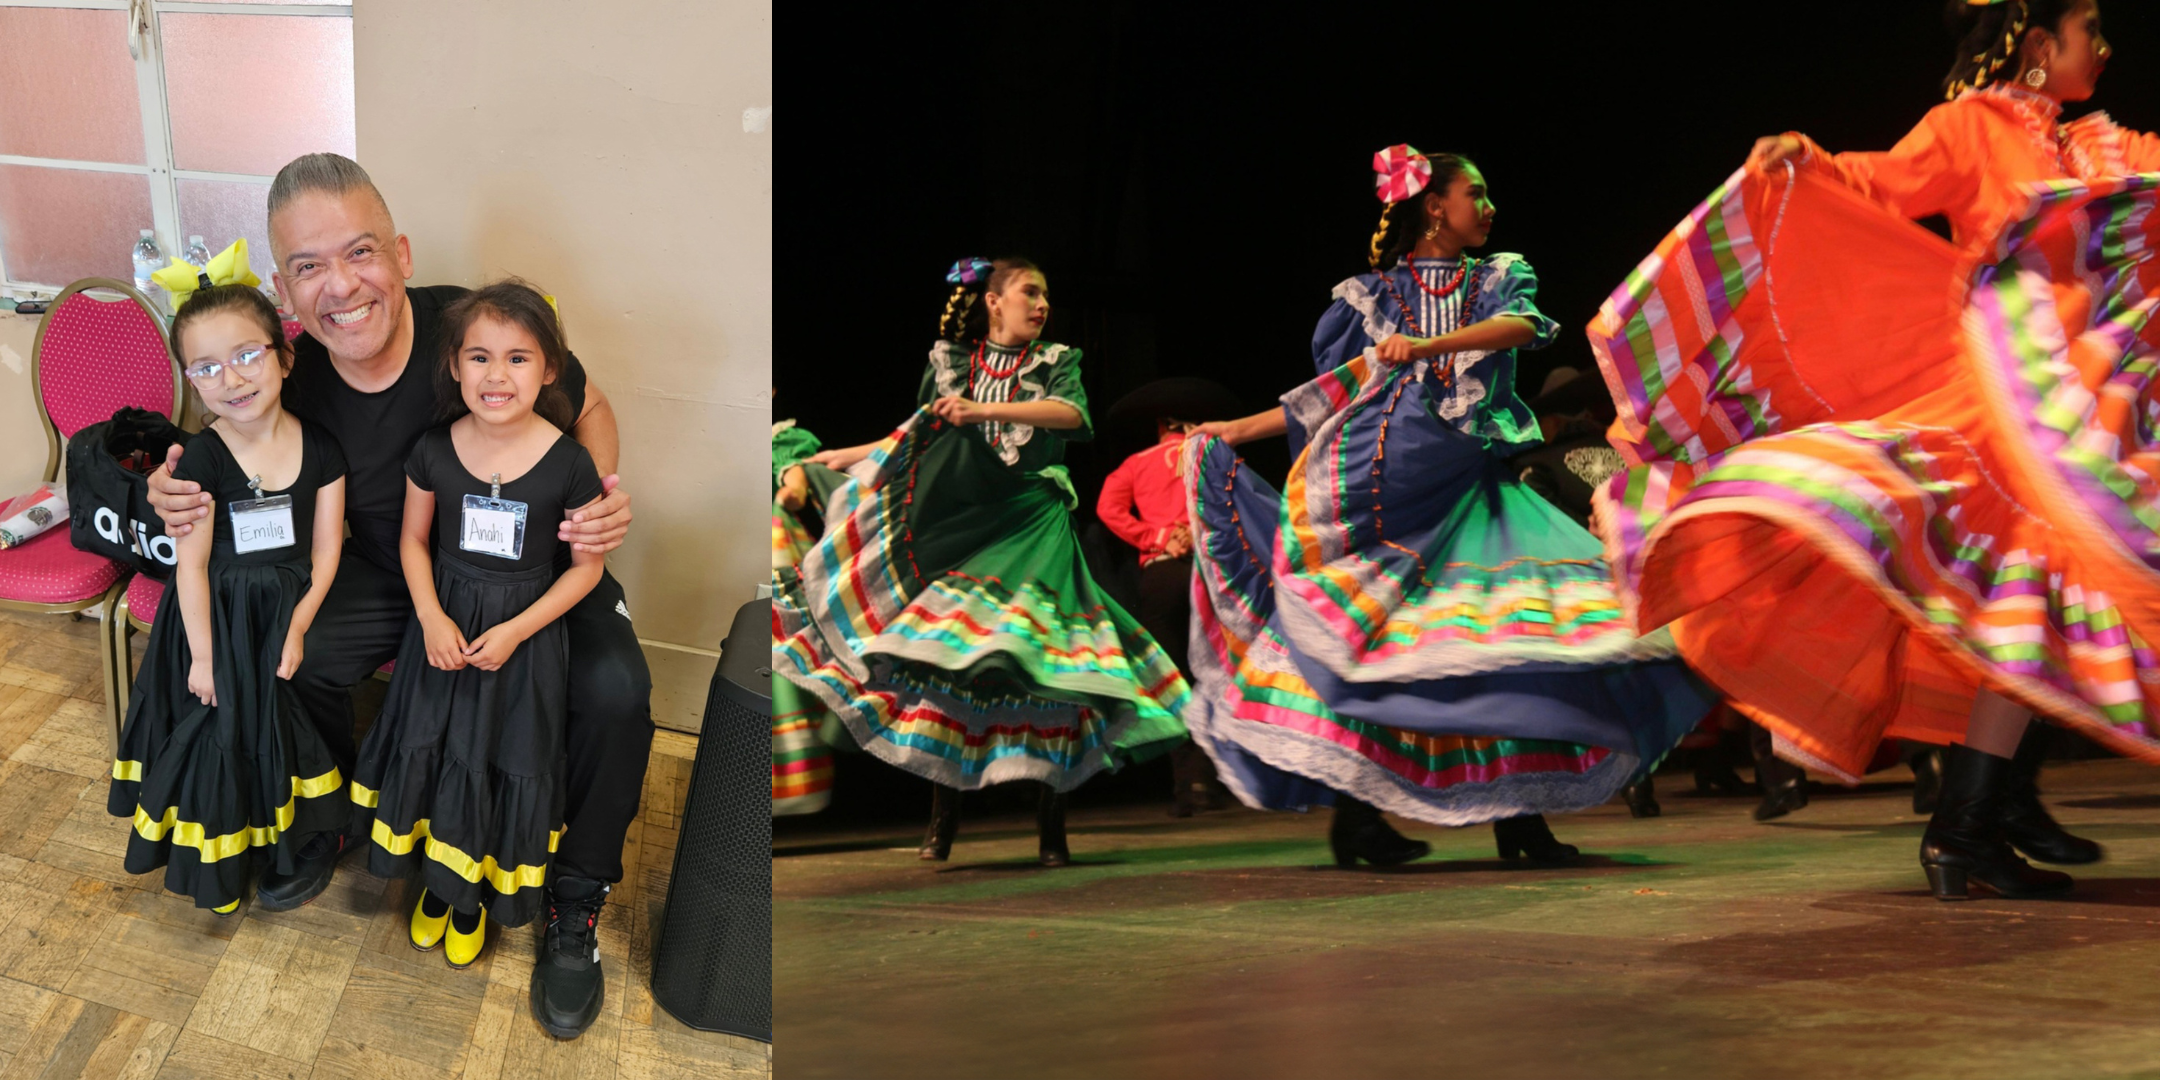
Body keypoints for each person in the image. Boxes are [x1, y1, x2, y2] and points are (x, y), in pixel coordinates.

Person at [1588, 0, 2136, 899]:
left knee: (2040, 614)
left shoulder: (2087, 148)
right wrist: (1809, 160)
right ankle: (1970, 826)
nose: (2106, 50)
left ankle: (1988, 812)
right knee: (2031, 605)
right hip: (2003, 411)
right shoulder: (1972, 128)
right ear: (2039, 48)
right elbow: (1876, 184)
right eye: (2090, 31)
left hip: (2076, 418)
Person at [144, 154, 642, 1038]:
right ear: (283, 292)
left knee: (614, 693)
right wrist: (174, 490)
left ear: (403, 255)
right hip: (391, 571)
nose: (340, 285)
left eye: (360, 251)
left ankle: (574, 904)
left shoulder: (475, 332)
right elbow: (217, 442)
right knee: (278, 643)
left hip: (532, 568)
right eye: (306, 267)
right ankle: (330, 815)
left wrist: (601, 499)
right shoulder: (286, 369)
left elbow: (593, 402)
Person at [1188, 145, 1714, 868]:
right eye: (1477, 192)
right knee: (1378, 649)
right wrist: (1239, 429)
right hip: (1396, 493)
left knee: (1511, 644)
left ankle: (1520, 821)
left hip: (1473, 486)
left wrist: (1427, 343)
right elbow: (1338, 391)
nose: (1489, 206)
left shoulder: (1499, 278)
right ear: (1435, 206)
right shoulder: (1368, 298)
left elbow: (1523, 328)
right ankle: (1358, 817)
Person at [772, 256, 1189, 866]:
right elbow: (920, 433)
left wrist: (986, 411)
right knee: (952, 658)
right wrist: (849, 453)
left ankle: (1052, 828)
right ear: (994, 302)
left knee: (1046, 661)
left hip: (1033, 521)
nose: (1041, 304)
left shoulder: (1055, 361)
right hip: (970, 527)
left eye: (1045, 294)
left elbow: (1074, 418)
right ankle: (943, 818)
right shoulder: (953, 364)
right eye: (1029, 292)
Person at [351, 281, 606, 970]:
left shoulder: (570, 462)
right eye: (480, 357)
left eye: (519, 358)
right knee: (437, 752)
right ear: (455, 367)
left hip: (520, 641)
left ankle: (470, 900)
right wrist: (431, 616)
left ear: (550, 369)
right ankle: (436, 889)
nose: (497, 376)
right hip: (445, 630)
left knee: (499, 759)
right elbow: (412, 540)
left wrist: (519, 630)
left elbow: (585, 570)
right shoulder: (432, 449)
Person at [108, 243, 347, 915]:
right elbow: (191, 564)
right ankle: (215, 865)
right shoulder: (201, 460)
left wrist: (298, 627)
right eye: (207, 368)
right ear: (191, 379)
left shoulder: (322, 447)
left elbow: (327, 552)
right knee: (220, 734)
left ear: (283, 356)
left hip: (282, 613)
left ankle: (284, 838)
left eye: (247, 355)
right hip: (219, 622)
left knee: (272, 733)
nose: (232, 379)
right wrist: (206, 657)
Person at [1097, 401, 1219, 816]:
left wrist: (1158, 535)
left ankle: (1190, 786)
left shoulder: (1136, 463)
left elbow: (1107, 509)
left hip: (1163, 575)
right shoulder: (1213, 451)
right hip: (1211, 573)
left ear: (1160, 425)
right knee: (1218, 674)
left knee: (1174, 679)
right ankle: (1227, 778)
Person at [771, 397, 849, 816]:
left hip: (780, 553)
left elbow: (796, 485)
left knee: (790, 661)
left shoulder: (781, 439)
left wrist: (789, 495)